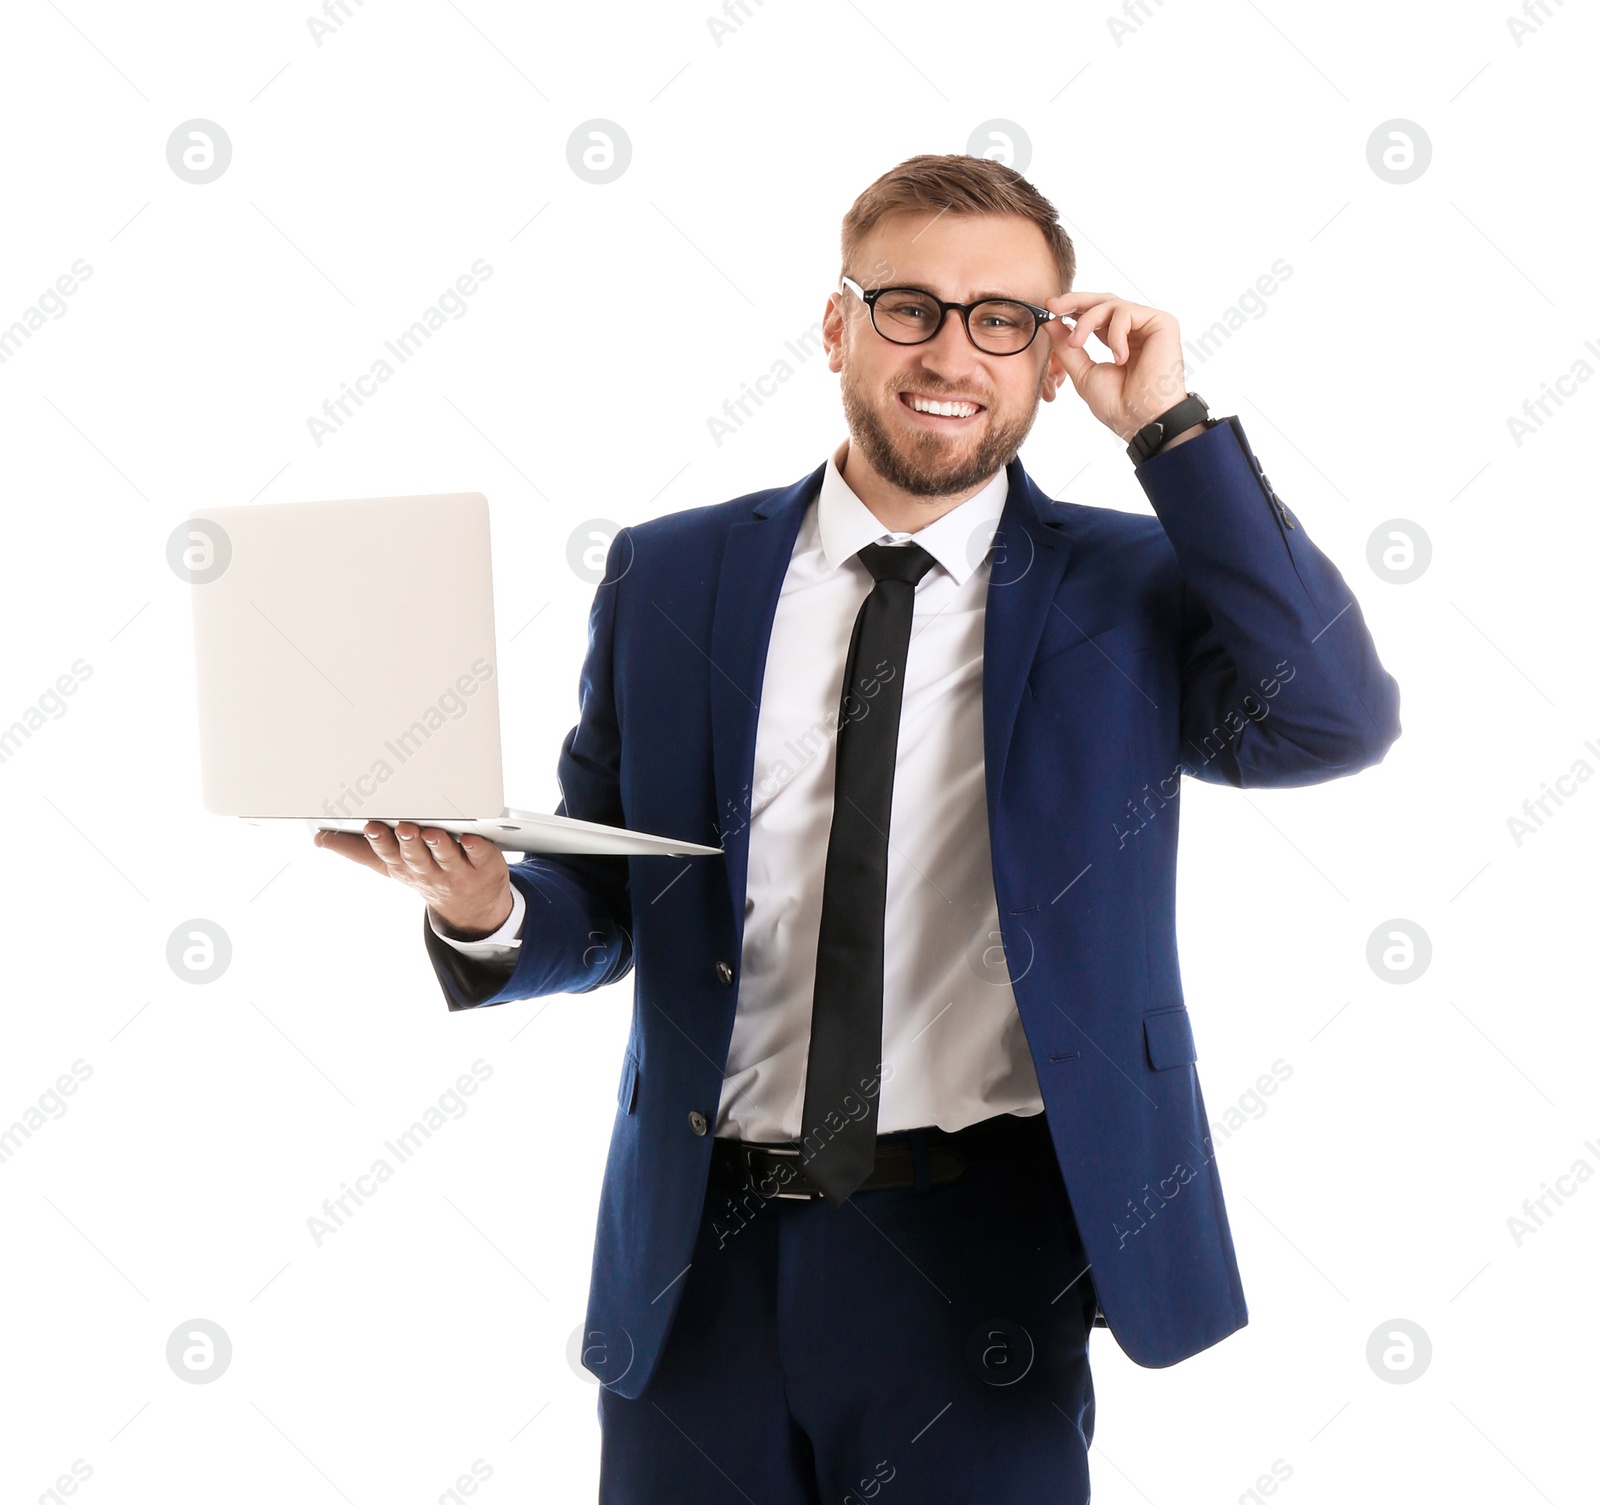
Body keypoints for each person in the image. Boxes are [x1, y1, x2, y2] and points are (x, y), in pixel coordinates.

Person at [316, 153, 1400, 1503]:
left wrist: (1170, 430)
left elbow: (1336, 718)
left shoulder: (1124, 588)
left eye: (1003, 317)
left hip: (983, 1256)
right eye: (911, 306)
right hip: (694, 1259)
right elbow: (607, 891)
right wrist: (487, 911)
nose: (954, 348)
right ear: (838, 325)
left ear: (1054, 353)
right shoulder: (673, 571)